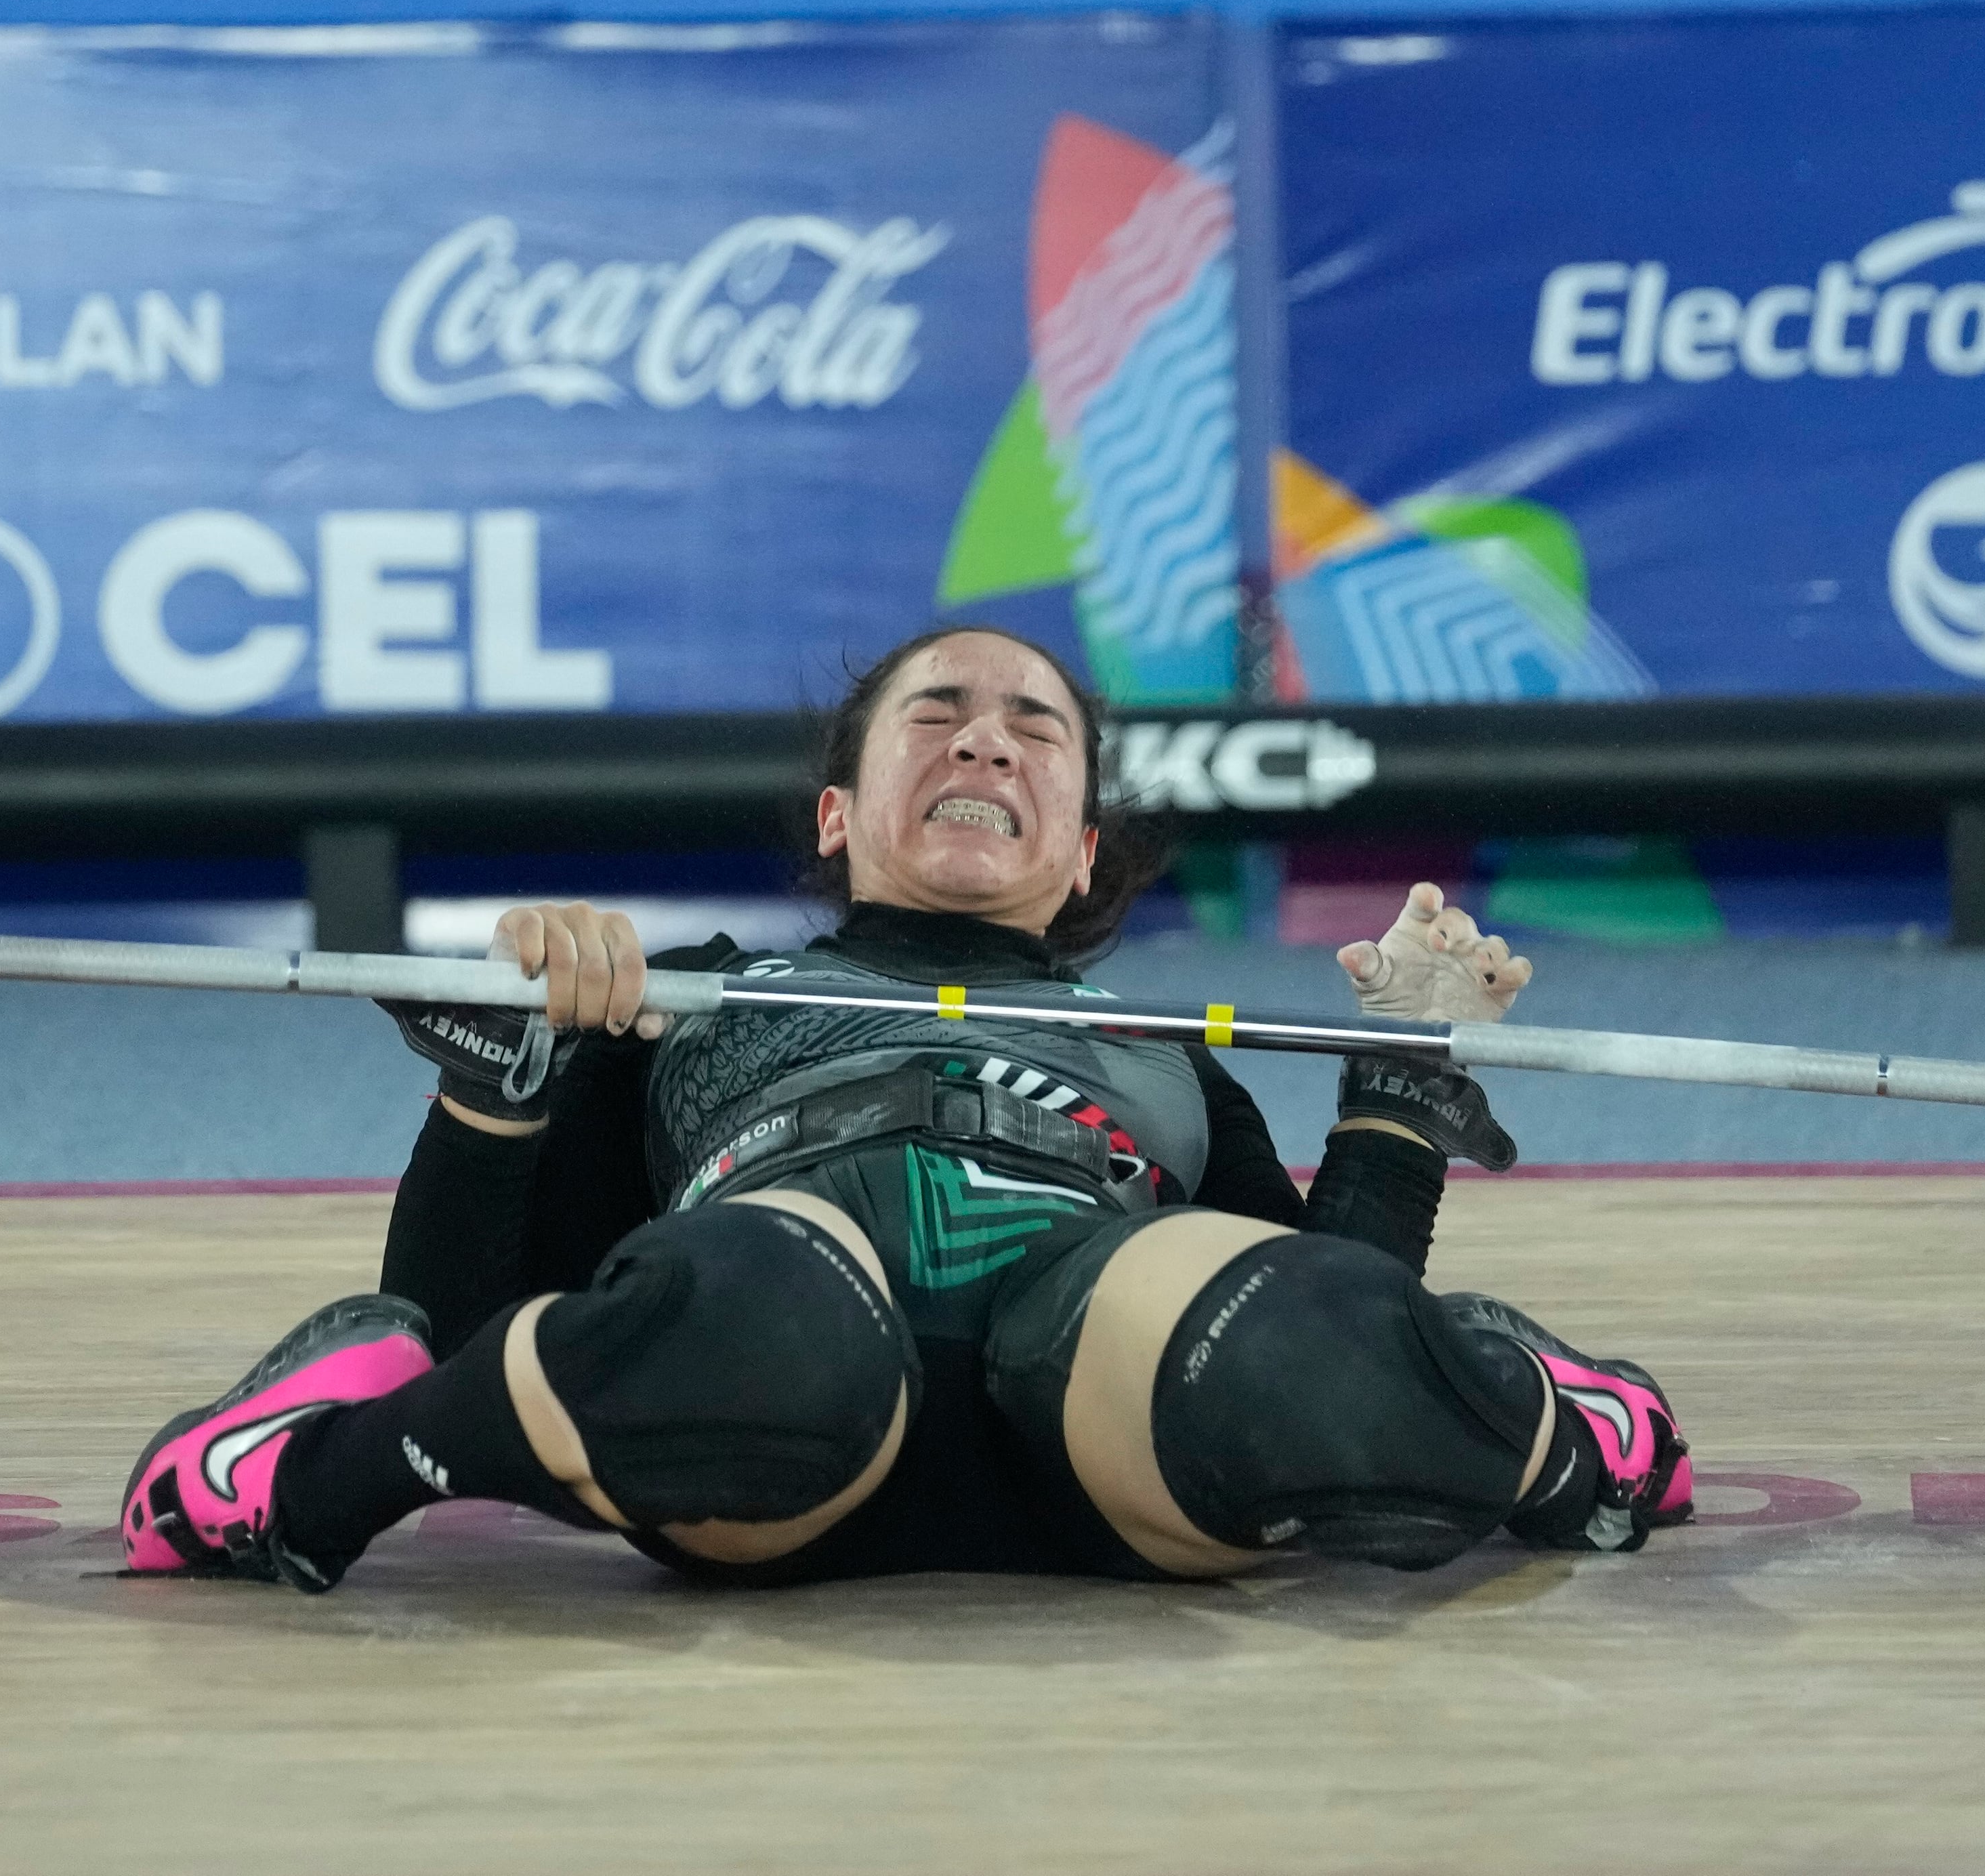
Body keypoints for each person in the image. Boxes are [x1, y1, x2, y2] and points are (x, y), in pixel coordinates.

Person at [120, 625, 1690, 1592]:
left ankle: (1575, 1441)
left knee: (1322, 1360)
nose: (984, 735)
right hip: (768, 1409)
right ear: (840, 808)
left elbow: (1346, 1329)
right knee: (756, 1312)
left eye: (1033, 727)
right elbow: (461, 1320)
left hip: (1120, 1419)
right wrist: (498, 1083)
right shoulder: (685, 993)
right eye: (933, 713)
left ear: (1079, 848)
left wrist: (1401, 1076)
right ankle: (287, 1487)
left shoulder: (1156, 1045)